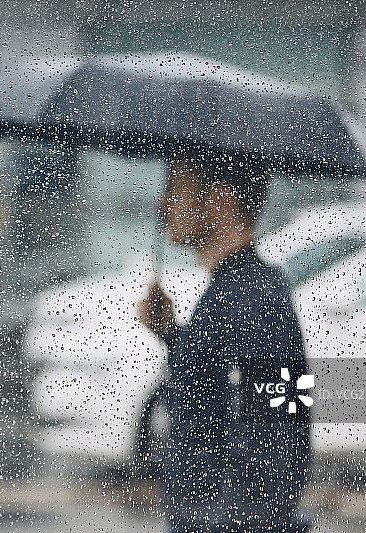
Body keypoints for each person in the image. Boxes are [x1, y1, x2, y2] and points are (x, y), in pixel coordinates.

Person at [138, 148, 312, 533]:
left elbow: (279, 429)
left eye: (176, 189)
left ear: (221, 198)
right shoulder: (233, 290)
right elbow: (213, 390)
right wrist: (172, 334)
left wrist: (231, 521)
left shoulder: (255, 298)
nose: (162, 204)